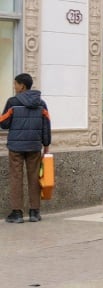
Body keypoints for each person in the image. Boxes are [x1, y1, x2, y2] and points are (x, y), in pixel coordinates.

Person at [2, 73, 51, 223]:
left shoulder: (12, 102)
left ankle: (17, 213)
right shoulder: (41, 103)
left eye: (15, 84)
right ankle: (34, 212)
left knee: (16, 178)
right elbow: (46, 125)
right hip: (34, 146)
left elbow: (3, 123)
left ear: (22, 86)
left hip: (16, 147)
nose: (14, 86)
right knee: (34, 177)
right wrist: (46, 144)